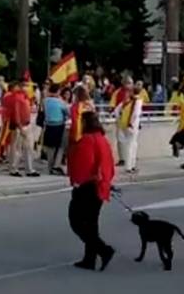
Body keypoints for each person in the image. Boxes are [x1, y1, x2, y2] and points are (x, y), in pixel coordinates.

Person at [66, 110, 116, 271]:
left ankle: (103, 250)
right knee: (91, 224)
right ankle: (90, 259)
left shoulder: (87, 141)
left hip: (87, 186)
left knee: (77, 221)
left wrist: (77, 183)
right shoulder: (102, 140)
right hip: (100, 186)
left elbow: (83, 165)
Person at [7, 82, 38, 177]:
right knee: (17, 148)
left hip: (27, 124)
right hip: (19, 126)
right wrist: (19, 126)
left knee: (29, 148)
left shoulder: (26, 97)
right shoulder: (17, 98)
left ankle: (29, 169)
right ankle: (13, 169)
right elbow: (16, 113)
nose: (28, 88)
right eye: (25, 86)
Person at [113, 82, 143, 173]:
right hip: (133, 126)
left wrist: (121, 120)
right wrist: (132, 123)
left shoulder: (126, 101)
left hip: (125, 125)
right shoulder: (138, 101)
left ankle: (131, 166)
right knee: (132, 145)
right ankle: (130, 166)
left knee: (131, 145)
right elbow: (136, 114)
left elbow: (116, 111)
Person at [42, 84, 70, 175]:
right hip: (59, 125)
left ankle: (50, 167)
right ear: (58, 91)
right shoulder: (60, 102)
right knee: (61, 146)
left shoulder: (45, 101)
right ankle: (56, 165)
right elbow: (67, 112)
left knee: (50, 147)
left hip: (48, 125)